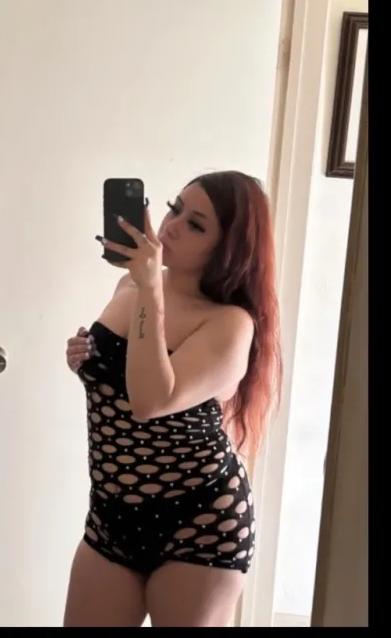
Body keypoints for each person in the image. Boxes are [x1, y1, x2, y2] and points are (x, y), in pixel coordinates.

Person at [63, 170, 282, 627]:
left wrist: (150, 288)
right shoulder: (127, 287)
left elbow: (150, 401)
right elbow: (123, 382)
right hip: (111, 511)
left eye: (196, 224)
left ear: (228, 249)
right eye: (175, 208)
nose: (173, 226)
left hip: (200, 520)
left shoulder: (230, 323)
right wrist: (85, 360)